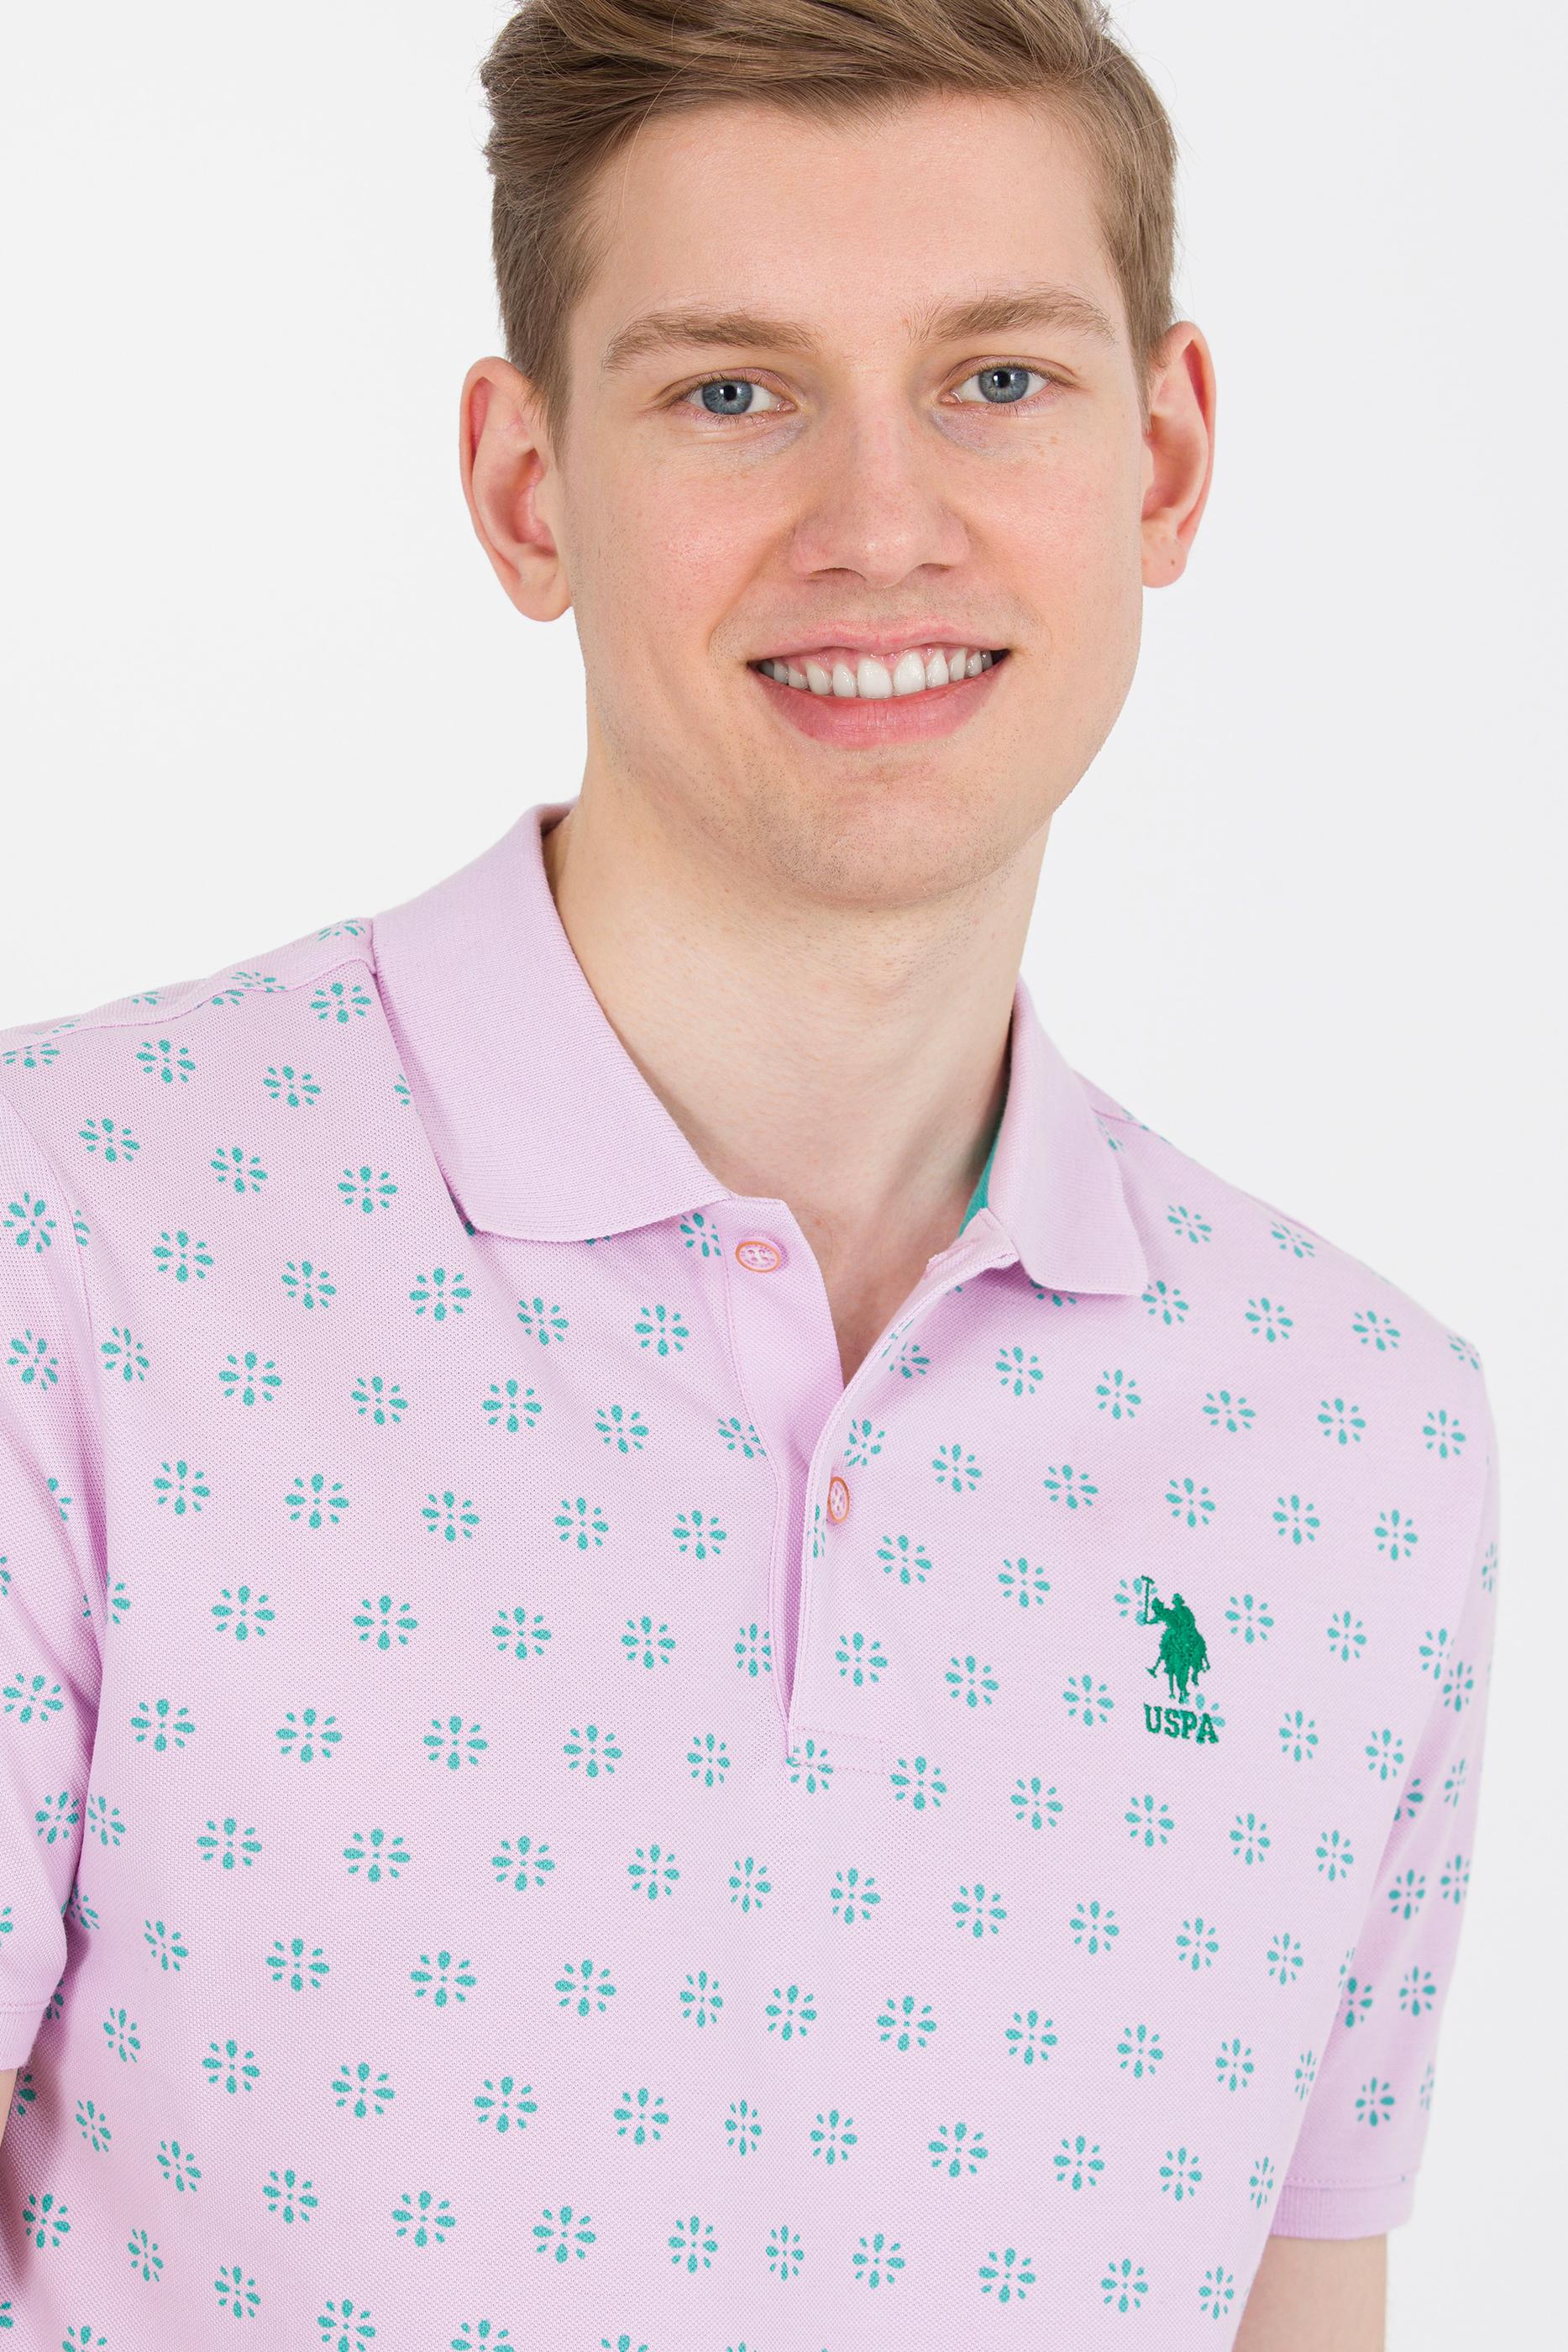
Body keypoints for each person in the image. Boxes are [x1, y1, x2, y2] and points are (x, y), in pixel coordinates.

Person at [0, 3, 1500, 2345]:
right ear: (528, 489)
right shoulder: (73, 1244)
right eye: (731, 392)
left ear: (1164, 456)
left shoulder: (1365, 1439)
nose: (881, 525)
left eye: (995, 379)